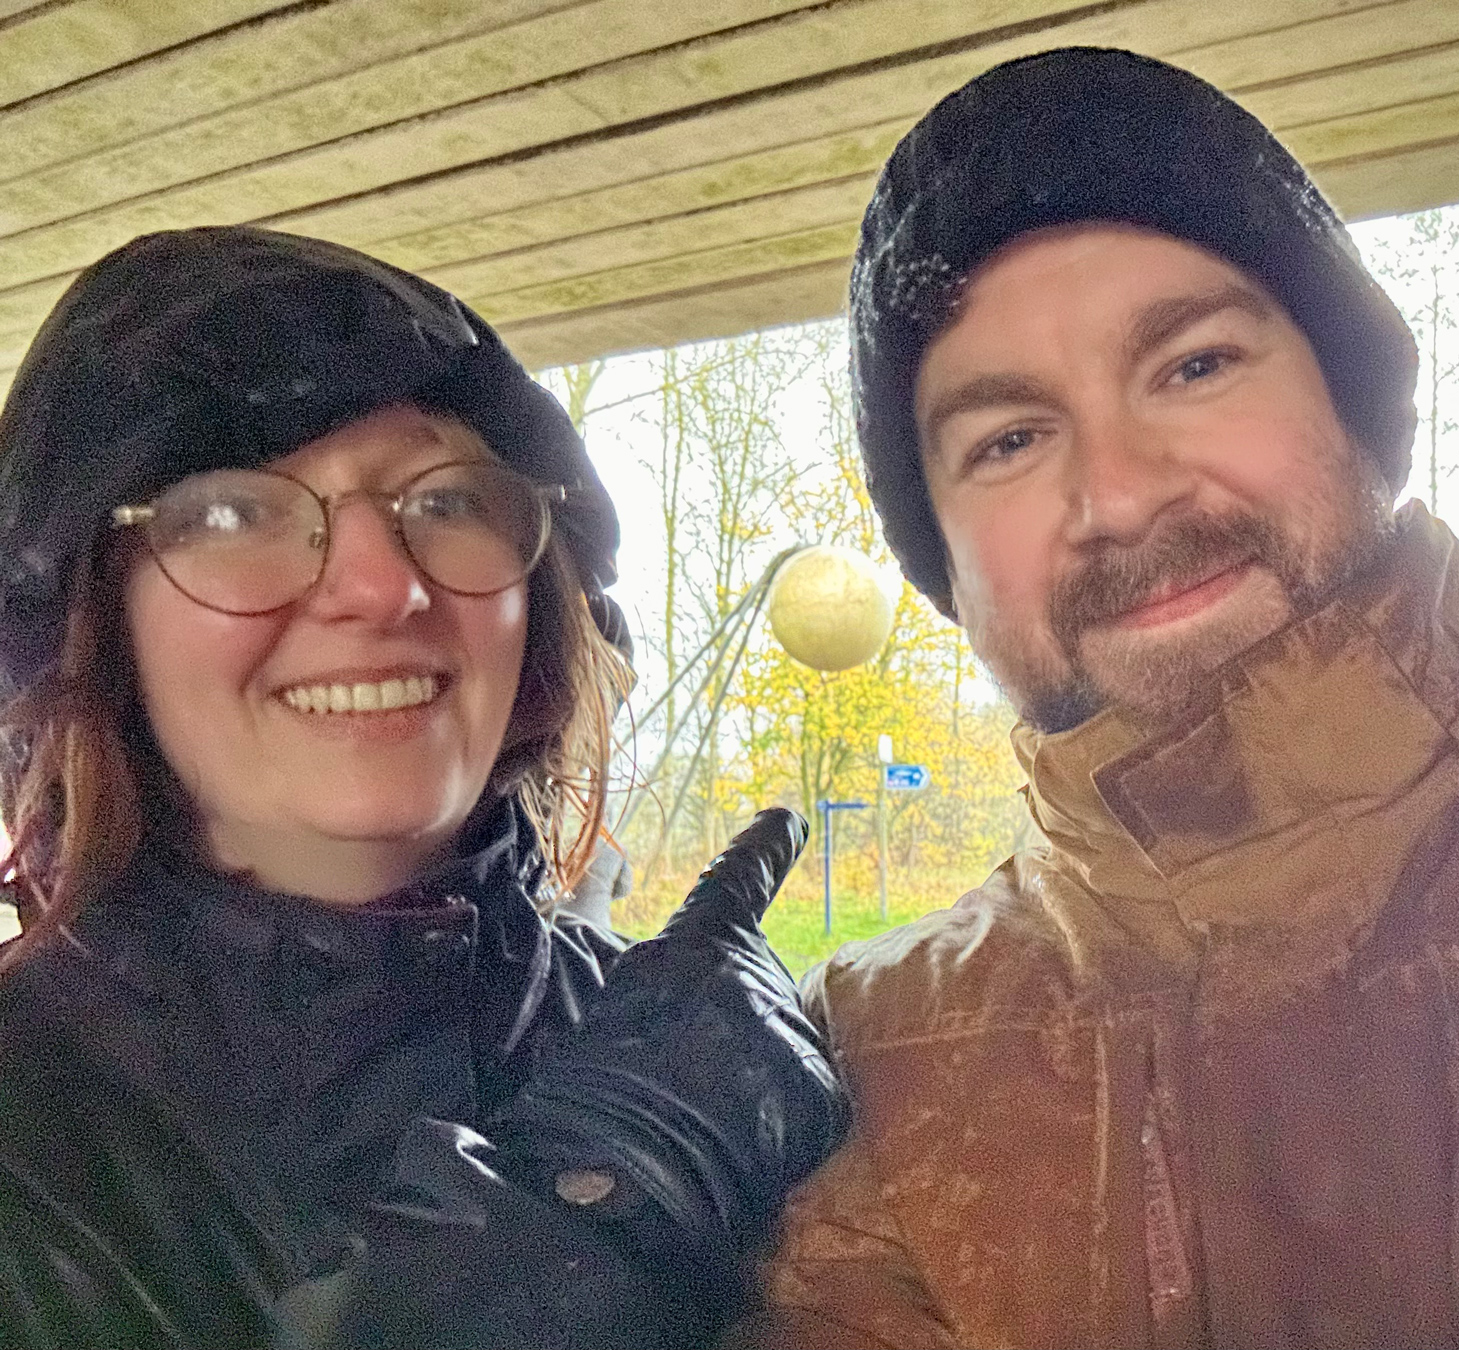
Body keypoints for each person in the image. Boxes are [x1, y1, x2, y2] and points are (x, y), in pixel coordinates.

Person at [738, 47, 1459, 1350]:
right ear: (944, 558)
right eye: (1007, 439)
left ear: (1352, 404)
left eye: (1193, 365)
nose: (1120, 492)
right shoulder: (879, 1067)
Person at [0, 226, 848, 1349]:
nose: (379, 583)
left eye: (446, 500)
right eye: (233, 511)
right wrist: (614, 1184)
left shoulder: (683, 1042)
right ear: (88, 621)